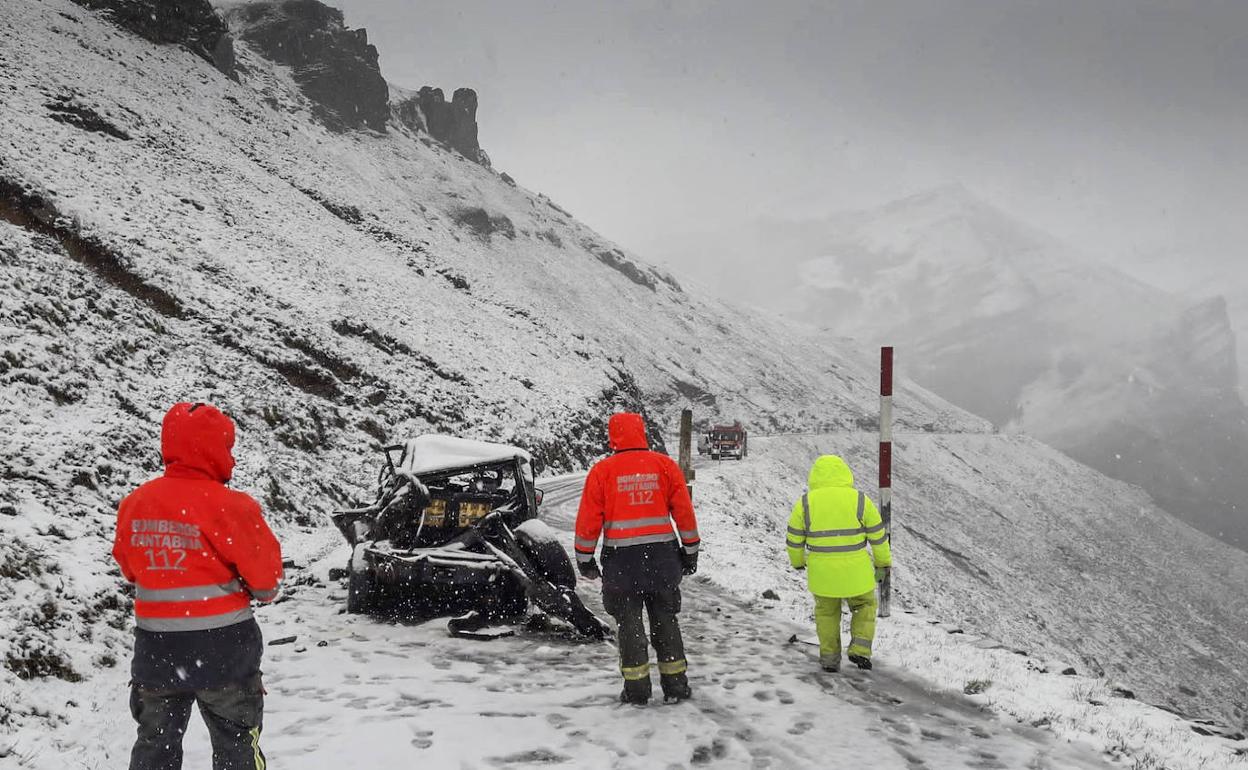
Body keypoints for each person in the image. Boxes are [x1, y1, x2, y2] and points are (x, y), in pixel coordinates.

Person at [112, 402, 284, 770]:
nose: (232, 459)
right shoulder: (232, 506)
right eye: (228, 449)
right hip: (225, 651)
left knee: (155, 747)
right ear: (214, 450)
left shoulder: (135, 503)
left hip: (156, 653)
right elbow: (267, 584)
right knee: (237, 746)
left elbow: (130, 568)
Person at [574, 412, 700, 705]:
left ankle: (637, 691)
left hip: (621, 564)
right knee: (665, 621)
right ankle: (676, 687)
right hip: (663, 560)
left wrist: (585, 560)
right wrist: (690, 553)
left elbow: (588, 522)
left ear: (613, 437)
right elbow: (684, 514)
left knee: (629, 626)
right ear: (642, 433)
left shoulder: (602, 472)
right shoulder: (664, 466)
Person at [786, 454, 891, 672]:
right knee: (865, 606)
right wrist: (882, 564)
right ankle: (860, 650)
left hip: (822, 574)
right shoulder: (860, 500)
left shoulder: (806, 502)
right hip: (856, 573)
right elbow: (878, 536)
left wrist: (797, 562)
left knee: (826, 614)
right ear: (845, 474)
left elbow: (794, 537)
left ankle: (830, 659)